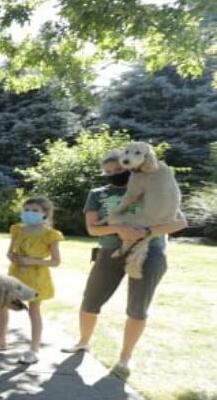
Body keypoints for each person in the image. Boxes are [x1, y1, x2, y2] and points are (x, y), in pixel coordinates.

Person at [63, 150, 187, 378]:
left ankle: (125, 357)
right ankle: (83, 342)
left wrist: (146, 232)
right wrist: (120, 229)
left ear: (130, 166)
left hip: (149, 252)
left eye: (118, 170)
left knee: (137, 308)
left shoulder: (153, 188)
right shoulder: (98, 193)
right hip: (110, 252)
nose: (113, 175)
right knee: (91, 300)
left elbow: (179, 222)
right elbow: (93, 228)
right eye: (108, 172)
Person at [0, 196, 63, 364]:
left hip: (37, 277)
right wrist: (13, 257)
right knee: (2, 305)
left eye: (35, 211)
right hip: (16, 274)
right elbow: (9, 252)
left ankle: (34, 349)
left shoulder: (50, 235)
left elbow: (56, 261)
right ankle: (0, 340)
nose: (29, 213)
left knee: (34, 310)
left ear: (45, 214)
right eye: (27, 210)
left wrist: (31, 261)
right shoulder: (17, 230)